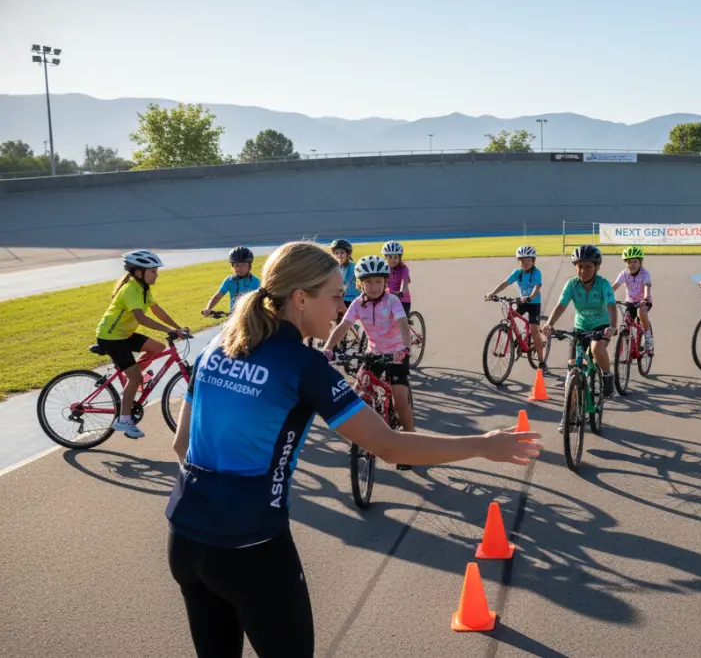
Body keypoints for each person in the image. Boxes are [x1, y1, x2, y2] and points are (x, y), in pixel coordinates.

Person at [166, 241, 541, 658]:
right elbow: (388, 445)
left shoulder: (217, 346)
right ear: (300, 298)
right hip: (251, 546)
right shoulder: (305, 366)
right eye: (333, 294)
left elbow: (181, 445)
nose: (341, 303)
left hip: (184, 536)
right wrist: (483, 445)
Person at [323, 255, 416, 469]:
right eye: (368, 282)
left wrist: (405, 348)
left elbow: (403, 324)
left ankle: (411, 444)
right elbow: (342, 327)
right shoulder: (357, 303)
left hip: (396, 354)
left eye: (378, 281)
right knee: (358, 394)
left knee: (400, 400)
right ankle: (363, 439)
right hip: (373, 353)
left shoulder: (392, 301)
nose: (373, 287)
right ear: (360, 283)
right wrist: (327, 348)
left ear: (385, 282)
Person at [95, 250, 189, 439]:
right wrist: (167, 331)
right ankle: (124, 419)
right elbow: (142, 318)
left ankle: (134, 378)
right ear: (139, 273)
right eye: (153, 271)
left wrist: (177, 328)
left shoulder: (144, 290)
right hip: (110, 337)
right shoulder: (130, 289)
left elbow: (157, 311)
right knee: (135, 377)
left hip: (123, 334)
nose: (157, 274)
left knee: (158, 348)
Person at [541, 245, 618, 397]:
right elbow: (561, 306)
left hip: (601, 326)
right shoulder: (571, 284)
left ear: (597, 267)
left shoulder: (603, 284)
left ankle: (607, 376)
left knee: (596, 348)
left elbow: (611, 306)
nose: (583, 270)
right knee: (572, 368)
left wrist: (612, 327)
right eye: (579, 266)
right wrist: (550, 323)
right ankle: (569, 413)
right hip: (580, 327)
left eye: (588, 266)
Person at [485, 245, 547, 372]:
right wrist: (492, 293)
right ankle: (518, 338)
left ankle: (541, 362)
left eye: (528, 260)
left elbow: (536, 288)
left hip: (533, 303)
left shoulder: (537, 273)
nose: (525, 263)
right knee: (510, 316)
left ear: (533, 261)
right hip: (522, 301)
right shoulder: (517, 273)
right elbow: (505, 283)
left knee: (534, 331)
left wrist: (531, 296)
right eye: (522, 260)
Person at [611, 245, 654, 349]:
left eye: (635, 261)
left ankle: (648, 336)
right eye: (629, 262)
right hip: (630, 302)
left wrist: (646, 298)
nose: (632, 264)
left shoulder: (645, 273)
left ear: (640, 262)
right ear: (625, 264)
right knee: (626, 321)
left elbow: (646, 286)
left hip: (643, 301)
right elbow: (615, 286)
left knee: (641, 311)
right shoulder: (624, 274)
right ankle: (628, 343)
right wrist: (606, 296)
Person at [202, 246, 261, 317]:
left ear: (249, 266)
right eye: (236, 265)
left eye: (243, 265)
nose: (240, 268)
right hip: (234, 317)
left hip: (251, 317)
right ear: (232, 266)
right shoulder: (229, 281)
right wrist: (208, 308)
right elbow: (217, 297)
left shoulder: (256, 282)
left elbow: (260, 302)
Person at [382, 240, 412, 314]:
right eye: (390, 257)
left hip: (402, 299)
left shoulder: (404, 268)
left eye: (395, 257)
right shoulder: (383, 268)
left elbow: (404, 284)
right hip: (387, 297)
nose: (393, 260)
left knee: (401, 320)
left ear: (400, 257)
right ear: (386, 257)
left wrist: (401, 293)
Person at [330, 239, 359, 307]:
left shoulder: (355, 267)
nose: (339, 256)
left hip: (353, 301)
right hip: (338, 300)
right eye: (336, 253)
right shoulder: (332, 269)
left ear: (348, 254)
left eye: (342, 253)